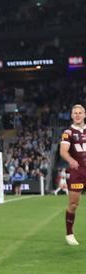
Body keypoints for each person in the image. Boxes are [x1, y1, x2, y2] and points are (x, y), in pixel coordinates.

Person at [59, 104, 86, 246]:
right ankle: (69, 234)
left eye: (80, 112)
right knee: (74, 204)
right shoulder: (68, 133)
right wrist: (71, 160)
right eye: (75, 113)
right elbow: (63, 151)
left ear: (84, 114)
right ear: (71, 115)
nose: (77, 115)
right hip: (77, 172)